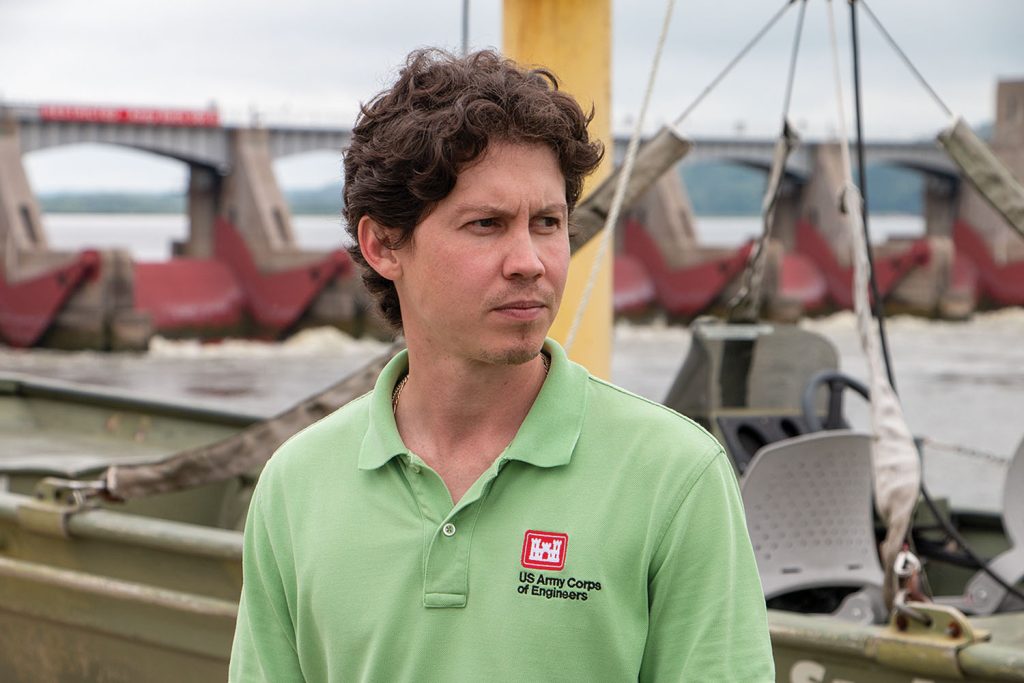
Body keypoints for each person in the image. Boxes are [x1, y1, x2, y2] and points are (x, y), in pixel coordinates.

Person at [229, 48, 774, 682]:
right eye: (487, 224)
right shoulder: (296, 485)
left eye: (548, 223)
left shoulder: (676, 477)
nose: (530, 261)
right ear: (383, 246)